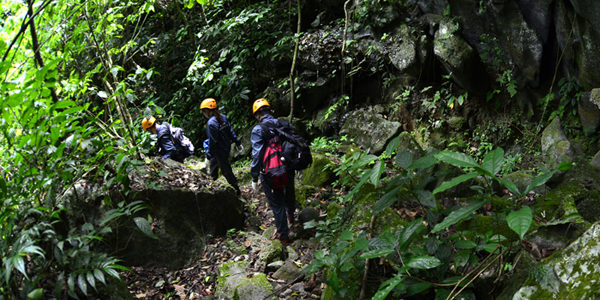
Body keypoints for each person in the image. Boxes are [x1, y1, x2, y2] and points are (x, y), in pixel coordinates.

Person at [250, 98, 296, 245]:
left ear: (257, 115)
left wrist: (254, 177)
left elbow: (257, 155)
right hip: (288, 167)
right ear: (270, 111)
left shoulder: (258, 130)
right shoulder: (284, 124)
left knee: (277, 204)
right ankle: (291, 215)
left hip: (270, 172)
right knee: (289, 191)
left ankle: (284, 235)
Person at [201, 98, 242, 195]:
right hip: (225, 148)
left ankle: (237, 190)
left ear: (206, 111)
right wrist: (237, 142)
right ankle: (212, 187)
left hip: (219, 151)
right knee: (213, 169)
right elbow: (230, 131)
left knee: (226, 171)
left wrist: (208, 156)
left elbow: (213, 141)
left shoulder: (211, 123)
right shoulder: (223, 117)